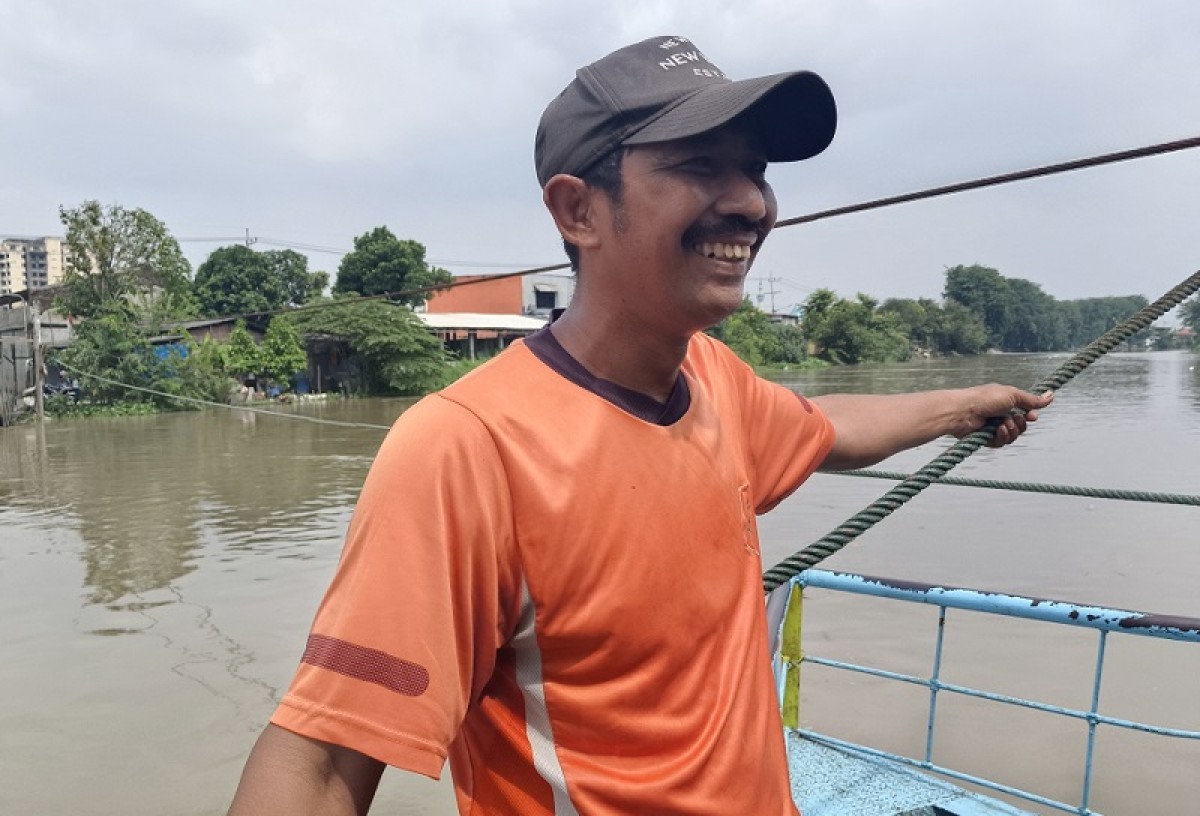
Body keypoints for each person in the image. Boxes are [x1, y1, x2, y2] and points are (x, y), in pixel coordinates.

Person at [227, 35, 1052, 816]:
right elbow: (326, 759)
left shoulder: (712, 381)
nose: (749, 202)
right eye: (699, 166)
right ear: (578, 209)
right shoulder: (469, 448)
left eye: (755, 170)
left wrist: (961, 406)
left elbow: (828, 427)